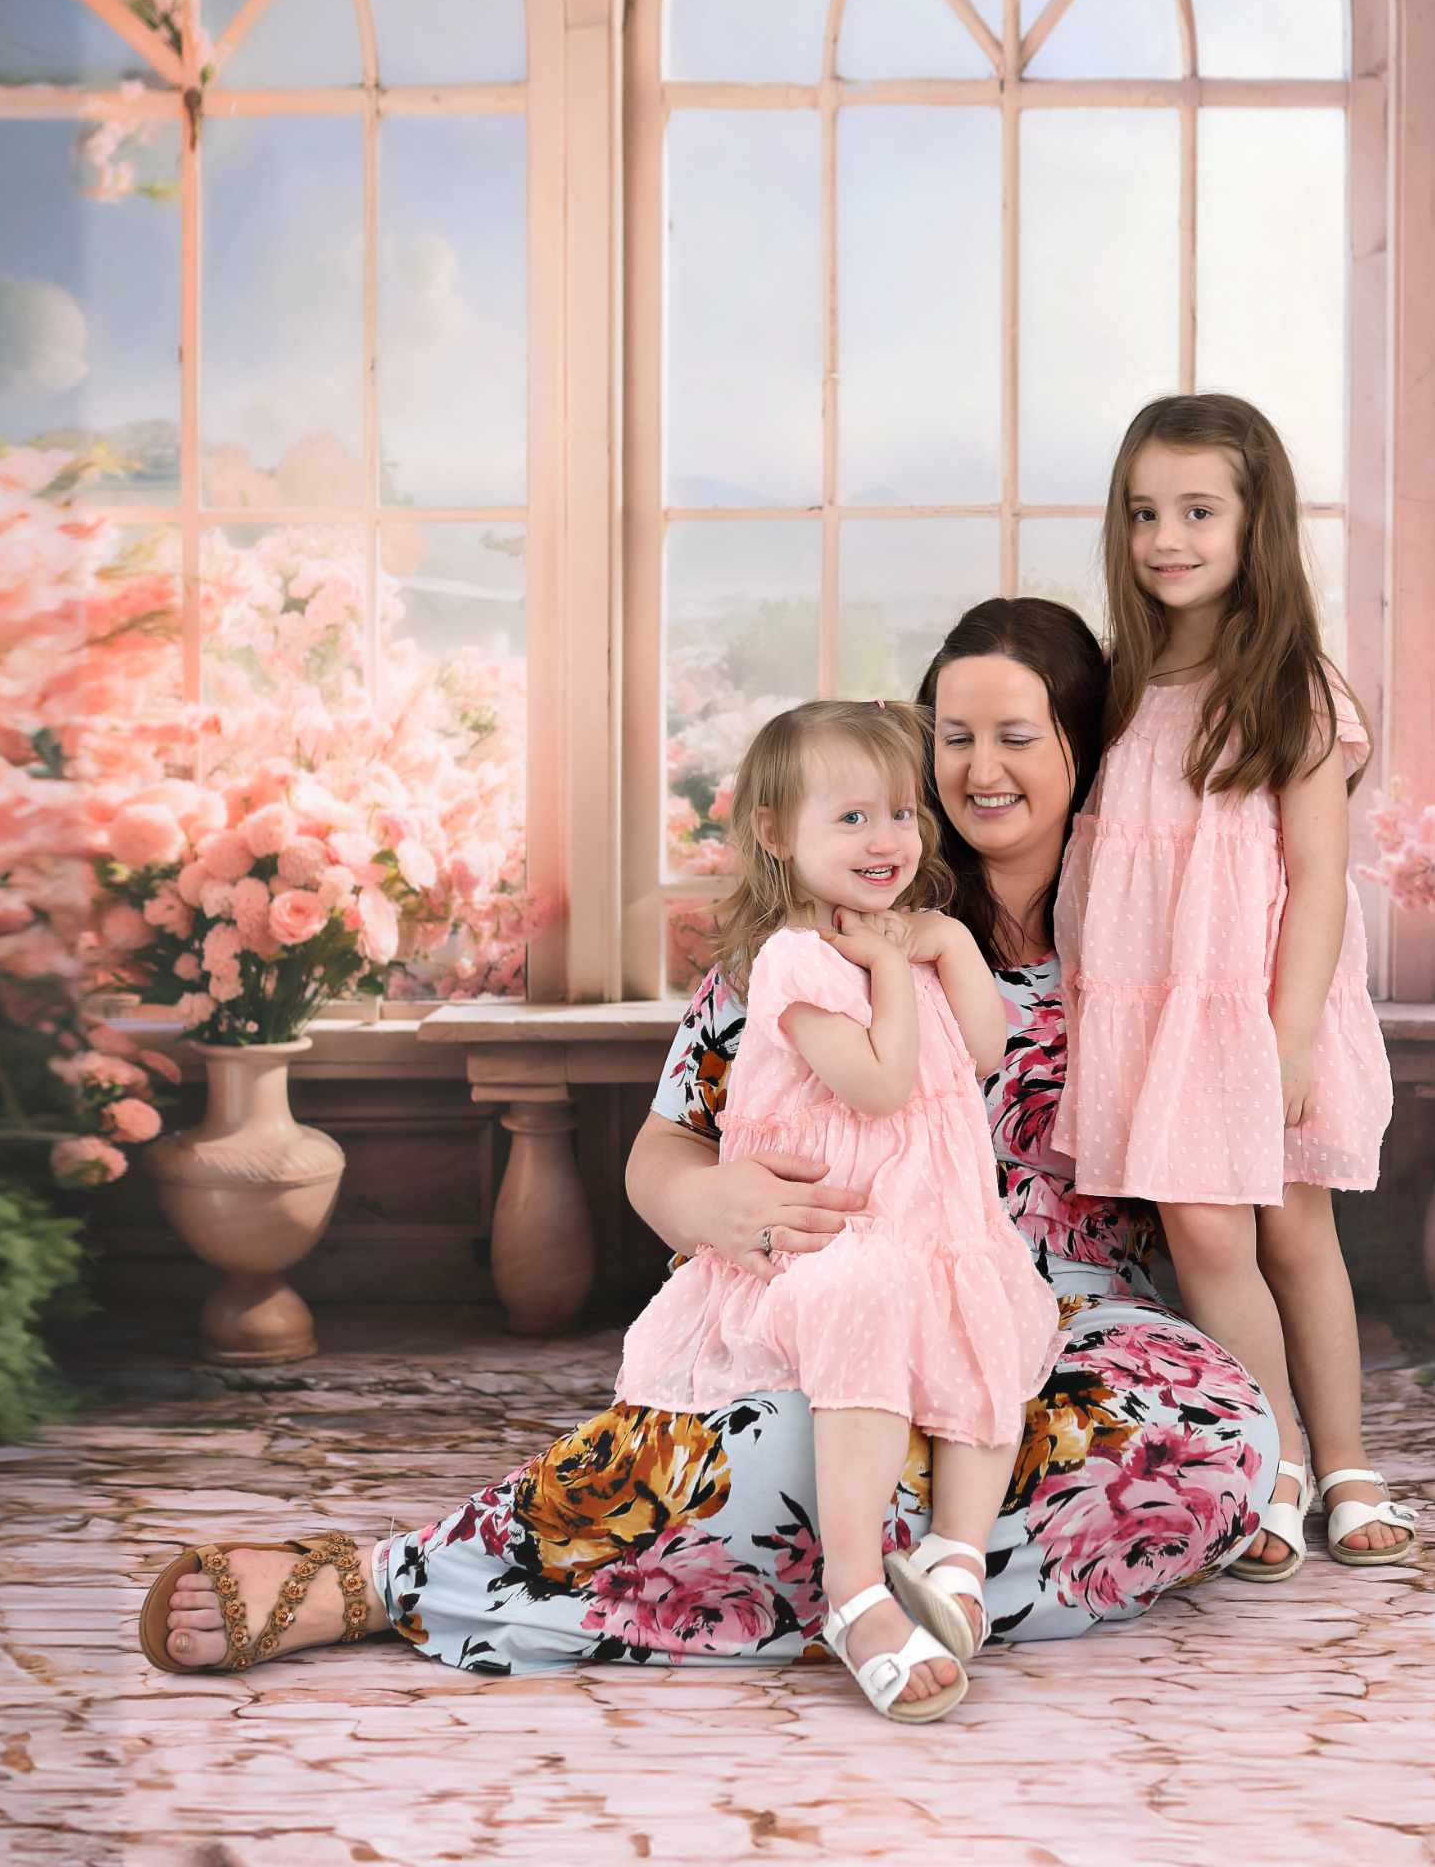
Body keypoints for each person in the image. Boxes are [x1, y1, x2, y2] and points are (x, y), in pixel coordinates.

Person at [139, 597, 1281, 1681]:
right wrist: (704, 1204)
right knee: (779, 1451)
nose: (982, 770)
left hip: (1066, 1325)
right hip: (840, 1303)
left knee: (1211, 1439)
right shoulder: (809, 949)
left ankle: (862, 1584)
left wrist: (1319, 1462)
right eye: (953, 740)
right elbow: (663, 1148)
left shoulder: (1140, 958)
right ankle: (395, 1579)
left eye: (1020, 737)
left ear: (1085, 752)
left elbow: (1232, 1212)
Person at [610, 699, 1063, 1721]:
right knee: (870, 1310)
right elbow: (877, 1081)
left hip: (939, 1229)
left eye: (900, 813)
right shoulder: (797, 960)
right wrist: (897, 968)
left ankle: (954, 1559)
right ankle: (855, 1594)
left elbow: (986, 1049)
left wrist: (946, 947)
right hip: (844, 1239)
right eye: (851, 818)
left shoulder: (904, 943)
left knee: (993, 1325)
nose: (886, 839)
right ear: (777, 834)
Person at [1053, 393, 1419, 1582]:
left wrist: (1291, 1033)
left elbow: (1318, 879)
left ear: (1253, 522)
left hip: (1256, 1002)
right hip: (1148, 1009)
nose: (1169, 536)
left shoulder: (1291, 691)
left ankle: (1351, 1458)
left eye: (1199, 510)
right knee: (1203, 1229)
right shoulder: (1111, 690)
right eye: (1146, 511)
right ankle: (1282, 1456)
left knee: (1296, 1228)